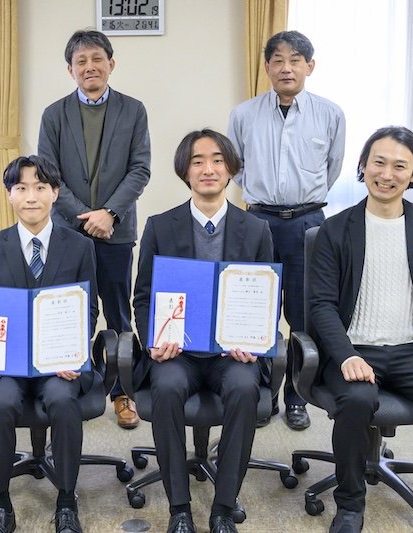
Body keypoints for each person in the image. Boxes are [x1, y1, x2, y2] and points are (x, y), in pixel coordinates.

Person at [308, 127, 413, 533]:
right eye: (378, 162)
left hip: (412, 352)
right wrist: (346, 355)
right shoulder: (335, 229)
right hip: (354, 350)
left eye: (399, 166)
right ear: (363, 166)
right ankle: (350, 505)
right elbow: (321, 305)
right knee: (357, 401)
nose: (386, 174)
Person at [132, 130, 273, 533]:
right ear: (185, 171)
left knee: (245, 388)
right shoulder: (161, 226)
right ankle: (179, 508)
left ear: (230, 169)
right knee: (166, 387)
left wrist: (254, 340)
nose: (208, 169)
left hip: (232, 355)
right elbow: (143, 298)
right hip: (179, 353)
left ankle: (223, 507)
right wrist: (154, 340)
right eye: (197, 161)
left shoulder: (256, 229)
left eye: (217, 160)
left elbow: (267, 297)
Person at [0, 155, 98, 533]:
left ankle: (66, 500)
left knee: (63, 399)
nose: (31, 196)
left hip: (59, 362)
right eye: (21, 188)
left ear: (55, 193)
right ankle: (1, 504)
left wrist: (74, 353)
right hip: (7, 364)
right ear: (8, 194)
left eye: (40, 187)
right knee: (1, 402)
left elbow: (89, 309)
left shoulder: (79, 246)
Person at [228, 30, 345, 430]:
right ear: (267, 67)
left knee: (302, 314)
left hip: (308, 224)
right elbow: (236, 166)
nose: (286, 68)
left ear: (310, 66)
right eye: (278, 60)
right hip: (257, 221)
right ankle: (263, 394)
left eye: (295, 60)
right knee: (255, 312)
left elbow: (332, 167)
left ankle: (297, 396)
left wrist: (301, 199)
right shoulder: (243, 114)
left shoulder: (329, 114)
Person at [38, 29, 151, 429]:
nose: (90, 67)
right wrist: (86, 216)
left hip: (116, 231)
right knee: (68, 312)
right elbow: (49, 175)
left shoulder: (133, 110)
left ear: (111, 64)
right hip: (67, 233)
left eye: (97, 59)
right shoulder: (54, 115)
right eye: (81, 61)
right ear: (70, 70)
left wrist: (110, 214)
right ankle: (72, 387)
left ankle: (123, 392)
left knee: (119, 314)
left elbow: (140, 169)